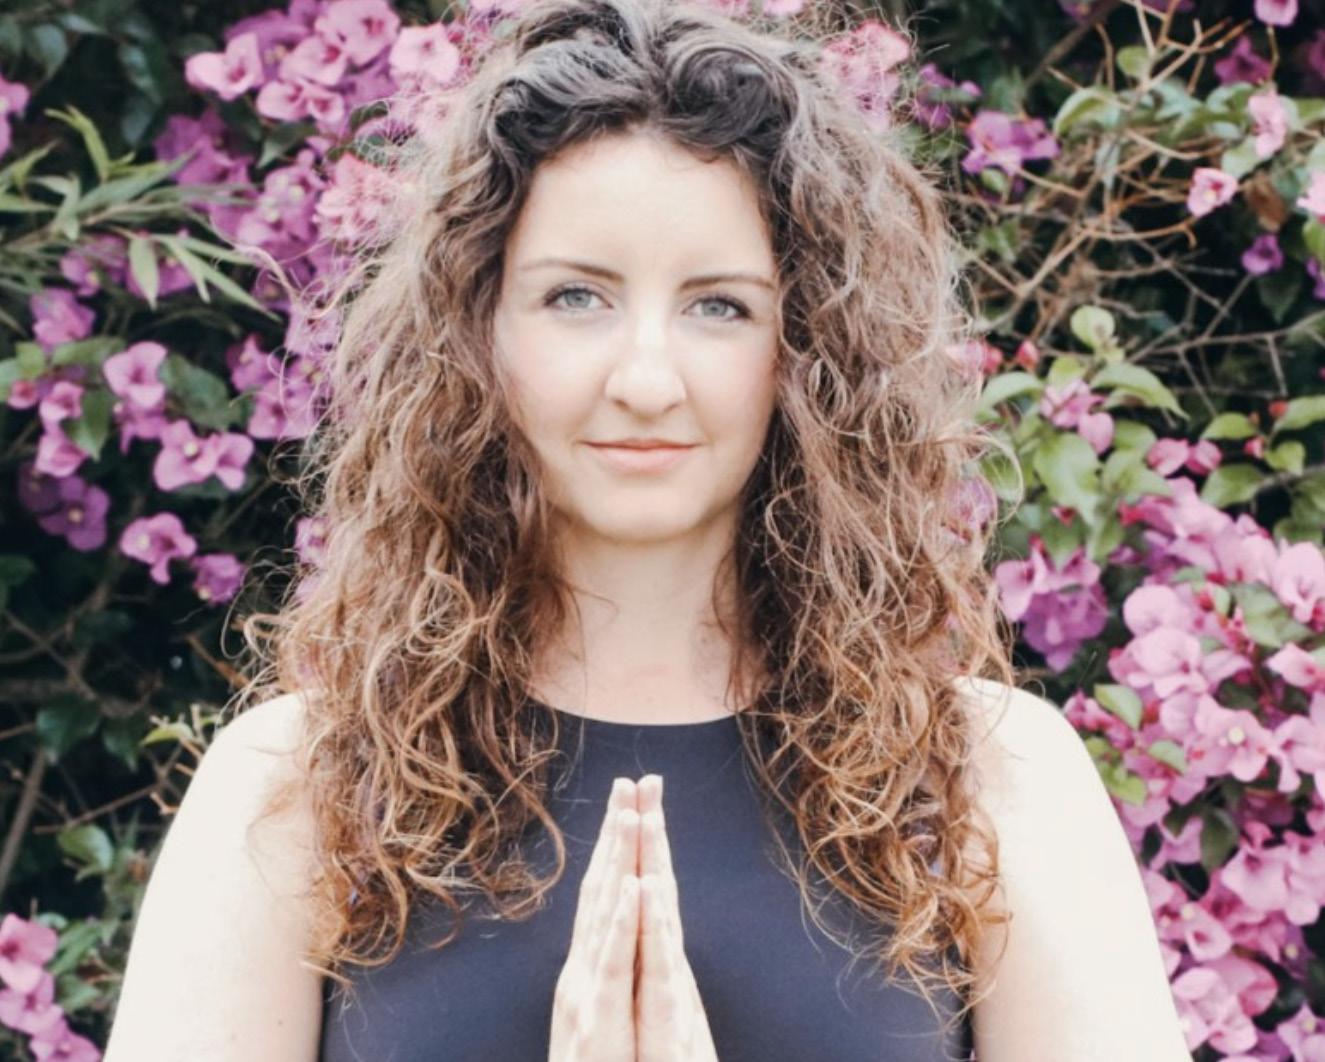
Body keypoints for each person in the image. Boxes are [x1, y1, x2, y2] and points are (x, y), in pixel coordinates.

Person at [103, 1, 1193, 1059]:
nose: (644, 380)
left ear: (808, 348)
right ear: (475, 329)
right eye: (576, 297)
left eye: (719, 305)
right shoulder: (297, 792)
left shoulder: (990, 785)